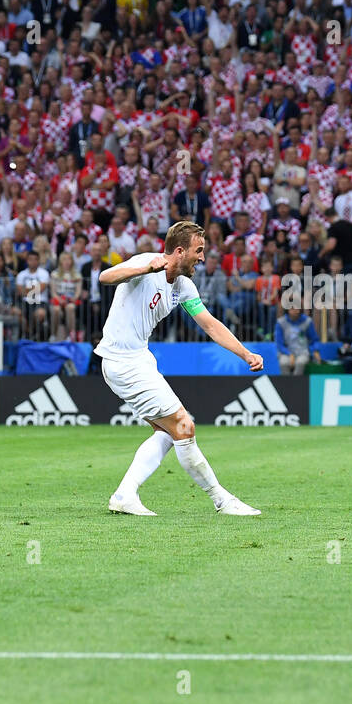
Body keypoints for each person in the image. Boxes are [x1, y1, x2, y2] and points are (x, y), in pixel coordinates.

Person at [96, 221, 263, 517]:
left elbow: (210, 324)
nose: (202, 257)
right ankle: (222, 500)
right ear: (179, 251)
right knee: (185, 425)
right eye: (198, 251)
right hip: (122, 361)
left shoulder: (184, 285)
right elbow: (106, 276)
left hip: (139, 359)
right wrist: (144, 269)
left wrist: (245, 353)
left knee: (168, 432)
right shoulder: (147, 263)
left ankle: (124, 495)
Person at [276, 305, 320, 375]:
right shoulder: (281, 323)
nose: (296, 310)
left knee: (300, 363)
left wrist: (315, 350)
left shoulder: (307, 321)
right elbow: (279, 344)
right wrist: (290, 354)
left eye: (298, 308)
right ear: (288, 309)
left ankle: (296, 383)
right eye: (293, 308)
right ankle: (285, 384)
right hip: (286, 352)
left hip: (303, 352)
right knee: (283, 363)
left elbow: (314, 339)